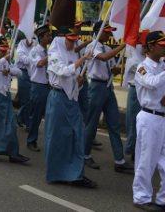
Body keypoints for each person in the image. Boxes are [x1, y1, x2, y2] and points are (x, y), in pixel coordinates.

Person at [44, 28, 96, 188]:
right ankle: (57, 173)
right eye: (70, 39)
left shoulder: (74, 54)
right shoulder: (54, 53)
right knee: (57, 137)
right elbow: (62, 72)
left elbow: (74, 78)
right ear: (61, 38)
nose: (73, 43)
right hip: (58, 98)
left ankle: (75, 174)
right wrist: (81, 61)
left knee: (76, 134)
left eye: (75, 40)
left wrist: (79, 82)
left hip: (72, 99)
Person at [83, 21, 133, 172]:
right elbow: (103, 58)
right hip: (96, 87)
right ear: (98, 32)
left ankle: (119, 160)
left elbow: (110, 67)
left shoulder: (108, 47)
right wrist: (124, 45)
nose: (109, 34)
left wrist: (115, 70)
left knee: (114, 123)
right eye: (106, 32)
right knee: (91, 124)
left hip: (107, 87)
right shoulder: (91, 46)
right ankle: (85, 155)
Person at [0, 37, 30, 163]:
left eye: (6, 48)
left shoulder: (6, 58)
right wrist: (3, 59)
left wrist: (9, 70)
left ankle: (13, 153)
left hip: (5, 93)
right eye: (2, 47)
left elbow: (19, 72)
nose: (4, 50)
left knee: (10, 124)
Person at [132, 31, 165, 211]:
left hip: (163, 117)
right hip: (149, 117)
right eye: (162, 44)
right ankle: (141, 197)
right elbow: (151, 83)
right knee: (147, 160)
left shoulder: (162, 66)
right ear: (151, 46)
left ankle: (162, 199)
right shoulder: (142, 67)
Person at [27, 25, 52, 152]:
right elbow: (40, 63)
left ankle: (50, 142)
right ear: (41, 37)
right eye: (47, 35)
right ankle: (31, 140)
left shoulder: (48, 50)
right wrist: (53, 54)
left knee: (50, 116)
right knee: (35, 115)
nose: (50, 38)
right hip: (38, 86)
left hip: (49, 87)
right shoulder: (35, 51)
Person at [123, 33, 146, 161]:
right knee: (133, 122)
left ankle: (137, 149)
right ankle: (131, 150)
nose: (145, 47)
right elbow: (145, 75)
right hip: (135, 91)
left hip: (142, 92)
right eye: (143, 45)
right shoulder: (135, 61)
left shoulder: (144, 59)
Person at [15, 35, 37, 128]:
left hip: (32, 73)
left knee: (30, 99)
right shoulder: (20, 49)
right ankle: (26, 122)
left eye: (32, 39)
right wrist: (36, 58)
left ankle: (20, 117)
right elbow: (26, 60)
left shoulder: (35, 44)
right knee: (25, 99)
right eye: (28, 39)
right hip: (23, 73)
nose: (31, 41)